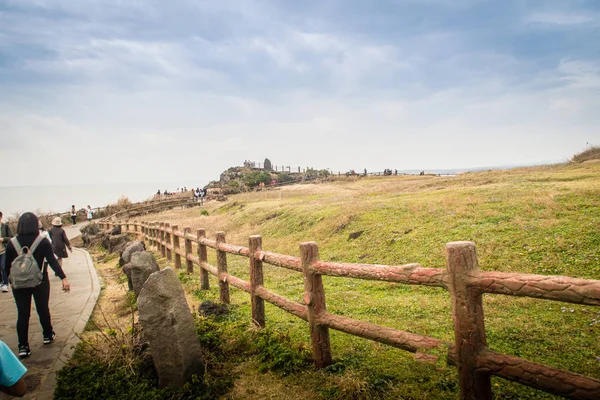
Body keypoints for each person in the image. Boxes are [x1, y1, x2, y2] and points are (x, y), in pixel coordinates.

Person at [5, 212, 71, 358]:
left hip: (19, 285)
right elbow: (52, 262)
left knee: (22, 314)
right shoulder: (42, 241)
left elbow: (6, 265)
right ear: (36, 225)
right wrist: (63, 278)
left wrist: (12, 280)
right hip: (40, 281)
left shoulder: (12, 243)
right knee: (43, 309)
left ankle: (23, 346)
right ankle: (47, 334)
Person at [0, 211, 14, 293]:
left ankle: (5, 284)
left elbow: (11, 238)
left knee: (3, 266)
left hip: (3, 250)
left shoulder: (5, 227)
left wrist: (3, 239)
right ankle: (1, 282)